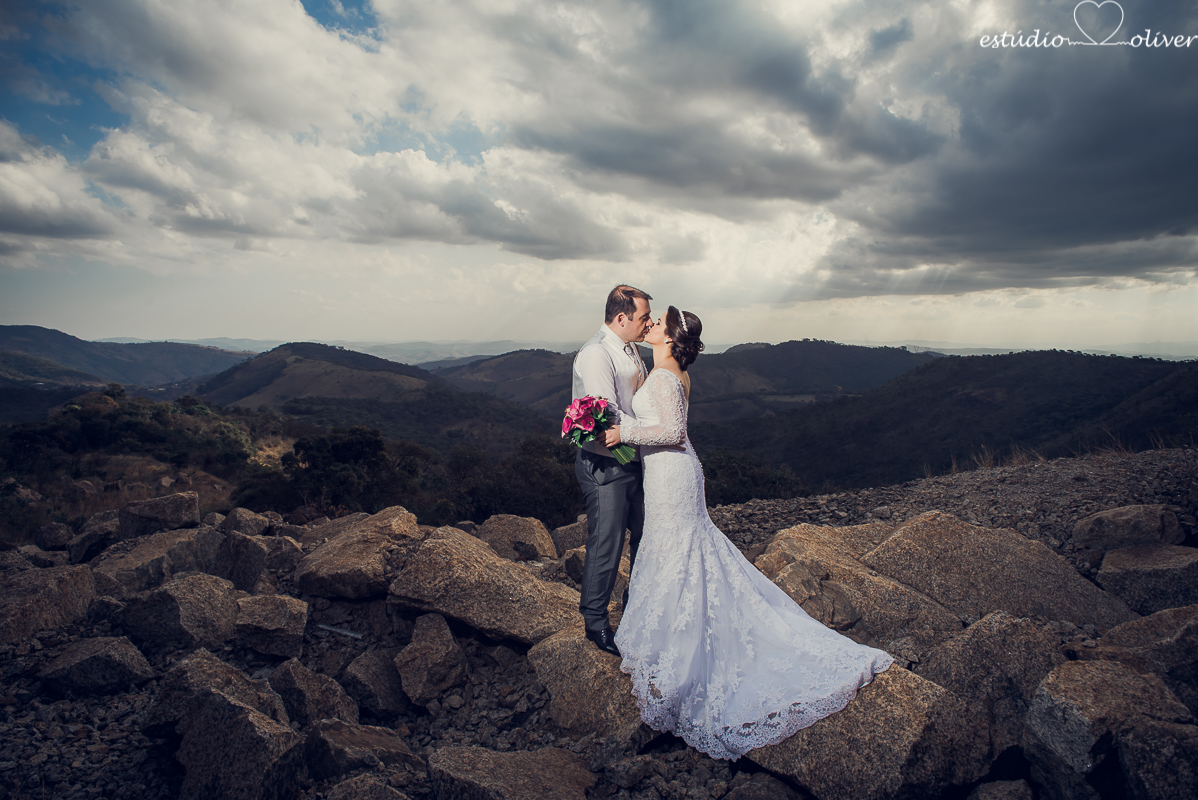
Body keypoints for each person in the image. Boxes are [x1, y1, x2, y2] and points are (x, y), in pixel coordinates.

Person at [603, 306, 893, 761]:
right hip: (668, 474)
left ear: (669, 337)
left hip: (673, 473)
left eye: (658, 322)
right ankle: (669, 641)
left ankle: (683, 659)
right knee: (673, 550)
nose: (651, 325)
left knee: (679, 551)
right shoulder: (668, 372)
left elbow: (674, 431)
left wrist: (623, 432)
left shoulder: (664, 377)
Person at [571, 285, 655, 656]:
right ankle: (595, 622)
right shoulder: (595, 354)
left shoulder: (631, 348)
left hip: (634, 457)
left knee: (644, 535)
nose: (646, 324)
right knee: (607, 542)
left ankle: (635, 605)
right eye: (642, 318)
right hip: (606, 463)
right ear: (621, 318)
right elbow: (607, 414)